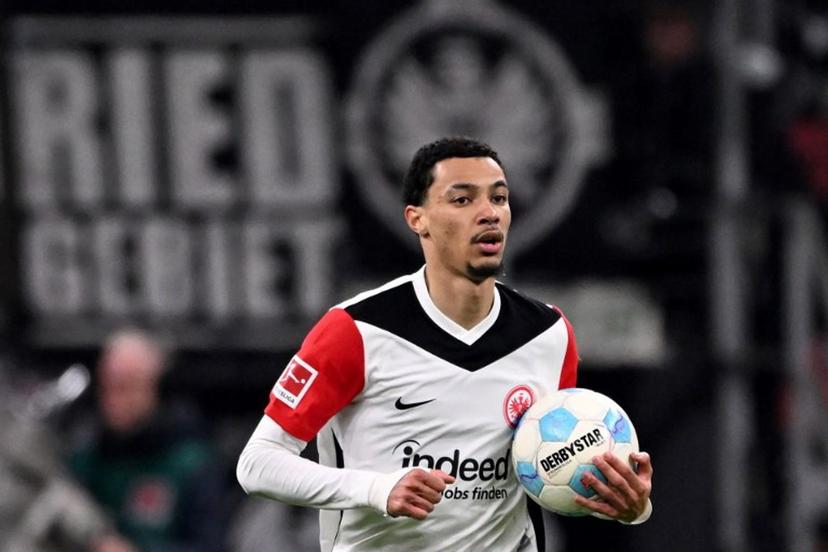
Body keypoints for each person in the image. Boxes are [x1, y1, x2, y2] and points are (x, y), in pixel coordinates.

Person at [236, 137, 653, 551]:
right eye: (462, 200)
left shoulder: (549, 333)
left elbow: (548, 474)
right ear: (417, 219)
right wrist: (377, 488)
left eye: (499, 198)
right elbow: (258, 464)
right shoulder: (356, 330)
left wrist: (627, 505)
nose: (489, 213)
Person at [69, 329, 225, 552]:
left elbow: (211, 546)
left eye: (126, 386)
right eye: (106, 386)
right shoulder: (85, 458)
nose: (113, 399)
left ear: (156, 388)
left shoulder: (192, 464)